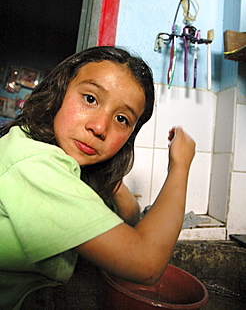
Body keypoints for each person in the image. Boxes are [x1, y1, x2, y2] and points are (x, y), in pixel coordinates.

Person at [0, 46, 195, 309]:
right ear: (60, 92)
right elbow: (146, 265)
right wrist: (180, 166)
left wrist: (111, 179)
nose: (100, 127)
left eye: (122, 119)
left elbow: (129, 217)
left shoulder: (47, 154)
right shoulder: (36, 163)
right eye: (90, 99)